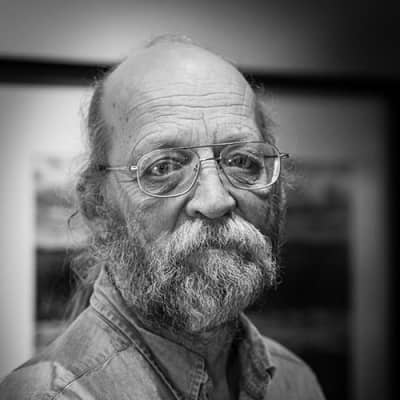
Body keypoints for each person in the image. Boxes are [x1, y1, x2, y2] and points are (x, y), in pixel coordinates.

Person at [0, 35, 325, 400]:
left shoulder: (294, 382)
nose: (215, 201)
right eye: (163, 167)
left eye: (241, 161)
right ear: (97, 207)